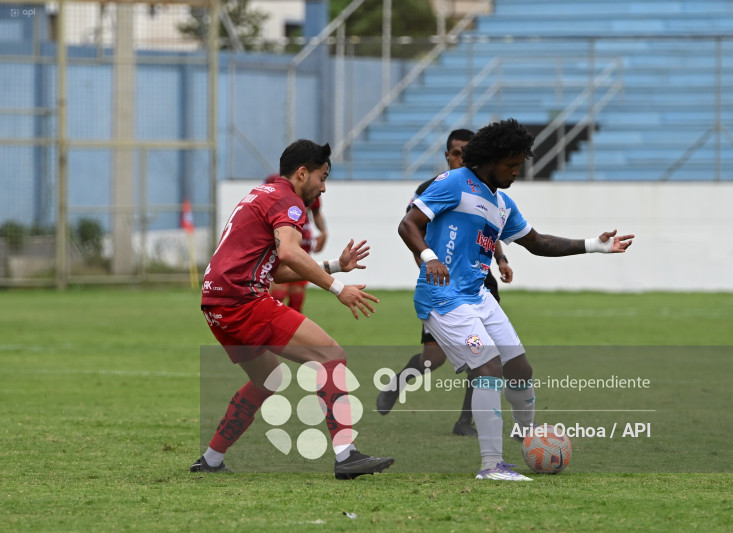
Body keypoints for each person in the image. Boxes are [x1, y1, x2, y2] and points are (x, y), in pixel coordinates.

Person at [398, 119, 633, 481]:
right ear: (491, 159)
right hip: (443, 300)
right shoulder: (454, 183)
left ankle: (529, 439)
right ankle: (491, 466)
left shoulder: (502, 203)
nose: (517, 170)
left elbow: (537, 243)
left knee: (520, 368)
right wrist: (430, 257)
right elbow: (408, 224)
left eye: (520, 163)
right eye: (512, 164)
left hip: (477, 297)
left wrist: (593, 246)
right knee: (488, 369)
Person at [192, 139, 394, 479]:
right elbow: (287, 252)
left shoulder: (262, 194)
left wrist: (333, 266)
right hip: (243, 300)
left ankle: (211, 458)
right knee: (331, 355)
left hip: (216, 303)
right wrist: (338, 289)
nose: (324, 187)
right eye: (322, 176)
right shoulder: (289, 202)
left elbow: (274, 266)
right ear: (302, 173)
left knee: (268, 378)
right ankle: (347, 456)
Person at [376, 129, 514, 438]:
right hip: (441, 287)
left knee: (485, 354)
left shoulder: (485, 189)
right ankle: (398, 383)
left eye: (467, 152)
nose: (461, 158)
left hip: (479, 284)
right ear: (447, 156)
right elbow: (413, 229)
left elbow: (489, 229)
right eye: (456, 153)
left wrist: (501, 259)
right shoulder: (433, 188)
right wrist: (428, 265)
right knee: (432, 358)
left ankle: (465, 420)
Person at [268, 172, 328, 313]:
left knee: (297, 297)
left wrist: (323, 232)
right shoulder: (275, 182)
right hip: (283, 241)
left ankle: (290, 332)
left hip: (303, 242)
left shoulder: (311, 184)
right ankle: (268, 329)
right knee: (279, 293)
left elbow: (316, 211)